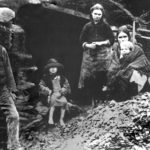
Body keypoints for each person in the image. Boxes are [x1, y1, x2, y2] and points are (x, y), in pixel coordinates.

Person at [78, 3, 114, 106]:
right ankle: (92, 100)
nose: (97, 16)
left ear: (102, 15)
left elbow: (111, 39)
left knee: (101, 76)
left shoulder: (106, 26)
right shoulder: (87, 26)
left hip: (103, 55)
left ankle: (101, 99)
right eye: (95, 14)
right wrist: (88, 45)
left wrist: (101, 43)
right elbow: (81, 40)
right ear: (91, 14)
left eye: (99, 14)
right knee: (89, 77)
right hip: (89, 55)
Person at [0, 8, 24, 150]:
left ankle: (14, 146)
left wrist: (12, 90)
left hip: (2, 89)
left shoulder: (2, 50)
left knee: (14, 116)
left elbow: (8, 71)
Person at [106, 27, 150, 100]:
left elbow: (143, 62)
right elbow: (113, 64)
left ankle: (132, 94)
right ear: (117, 38)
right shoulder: (116, 50)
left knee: (129, 73)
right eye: (120, 37)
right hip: (120, 73)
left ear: (128, 37)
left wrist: (129, 67)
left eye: (125, 36)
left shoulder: (136, 48)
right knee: (113, 74)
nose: (123, 39)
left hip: (136, 72)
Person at [39, 58, 71, 127]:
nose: (53, 69)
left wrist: (63, 90)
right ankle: (50, 119)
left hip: (60, 94)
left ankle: (61, 119)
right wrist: (48, 91)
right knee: (53, 103)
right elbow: (41, 86)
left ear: (57, 68)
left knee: (64, 102)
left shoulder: (62, 78)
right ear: (48, 69)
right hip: (52, 95)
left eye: (54, 67)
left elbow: (67, 85)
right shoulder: (45, 78)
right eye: (51, 68)